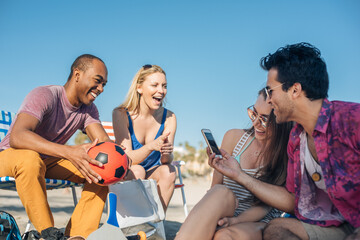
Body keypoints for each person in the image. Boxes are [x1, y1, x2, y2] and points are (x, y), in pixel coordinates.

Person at [210, 43, 360, 240]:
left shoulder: (351, 119)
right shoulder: (296, 140)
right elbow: (291, 198)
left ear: (295, 90)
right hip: (334, 225)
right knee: (276, 229)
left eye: (270, 90)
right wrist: (238, 175)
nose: (269, 100)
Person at [0, 54, 111, 238]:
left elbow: (104, 143)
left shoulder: (88, 110)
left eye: (104, 84)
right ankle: (49, 234)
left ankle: (78, 235)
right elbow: (18, 137)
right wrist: (68, 151)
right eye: (98, 81)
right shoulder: (45, 95)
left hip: (46, 162)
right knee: (30, 158)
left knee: (100, 172)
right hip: (10, 156)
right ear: (77, 74)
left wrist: (122, 158)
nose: (101, 89)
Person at [175, 89, 293, 240]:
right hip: (226, 208)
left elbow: (265, 206)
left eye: (264, 119)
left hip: (257, 220)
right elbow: (215, 189)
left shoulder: (284, 155)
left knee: (223, 236)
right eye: (253, 113)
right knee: (220, 191)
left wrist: (236, 221)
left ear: (280, 121)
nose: (256, 123)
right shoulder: (234, 137)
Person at [112, 64, 177, 210]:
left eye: (164, 86)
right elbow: (128, 160)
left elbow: (166, 160)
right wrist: (151, 146)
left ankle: (158, 223)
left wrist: (166, 153)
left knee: (169, 170)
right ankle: (137, 222)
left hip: (153, 171)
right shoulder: (121, 114)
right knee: (138, 170)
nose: (161, 91)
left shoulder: (169, 117)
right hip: (129, 172)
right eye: (154, 85)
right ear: (139, 88)